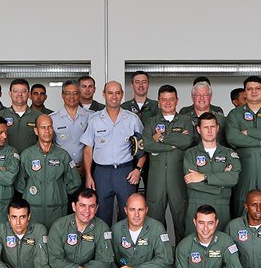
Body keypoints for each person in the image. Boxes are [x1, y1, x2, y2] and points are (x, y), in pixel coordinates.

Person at [81, 81, 145, 225]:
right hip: (101, 173)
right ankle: (104, 240)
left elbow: (143, 147)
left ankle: (124, 240)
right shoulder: (95, 119)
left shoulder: (132, 119)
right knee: (101, 214)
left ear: (122, 95)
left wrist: (138, 169)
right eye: (110, 93)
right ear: (104, 95)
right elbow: (88, 149)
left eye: (117, 93)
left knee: (128, 213)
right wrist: (88, 175)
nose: (114, 96)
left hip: (125, 172)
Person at [226, 76, 261, 215]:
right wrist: (260, 142)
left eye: (258, 88)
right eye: (249, 89)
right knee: (242, 204)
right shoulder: (235, 114)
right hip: (244, 167)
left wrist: (247, 132)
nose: (254, 92)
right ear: (245, 92)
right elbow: (232, 137)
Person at [143, 84, 195, 236]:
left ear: (177, 100)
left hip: (178, 176)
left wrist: (161, 138)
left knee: (181, 218)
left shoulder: (185, 121)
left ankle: (182, 251)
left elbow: (186, 141)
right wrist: (172, 145)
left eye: (171, 99)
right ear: (158, 101)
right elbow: (147, 144)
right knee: (155, 219)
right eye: (164, 99)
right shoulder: (151, 122)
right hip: (156, 177)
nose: (167, 103)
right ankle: (159, 251)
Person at [16, 114, 80, 227]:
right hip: (33, 211)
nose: (47, 131)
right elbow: (20, 185)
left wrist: (58, 193)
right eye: (43, 127)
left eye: (50, 127)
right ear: (36, 131)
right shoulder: (27, 155)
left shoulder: (63, 155)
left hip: (57, 210)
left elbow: (75, 182)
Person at [182, 113, 240, 236]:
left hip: (222, 206)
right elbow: (192, 183)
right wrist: (222, 184)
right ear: (199, 129)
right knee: (194, 244)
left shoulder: (229, 153)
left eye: (212, 127)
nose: (209, 131)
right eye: (205, 127)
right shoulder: (190, 153)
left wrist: (203, 177)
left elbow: (233, 179)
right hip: (196, 205)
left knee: (222, 243)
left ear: (217, 128)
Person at [51, 79, 92, 176]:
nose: (72, 97)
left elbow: (93, 145)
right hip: (61, 170)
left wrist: (85, 166)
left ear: (79, 94)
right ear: (62, 95)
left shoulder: (90, 116)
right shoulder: (53, 118)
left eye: (75, 93)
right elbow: (50, 146)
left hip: (86, 169)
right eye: (68, 93)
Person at [0, 78, 39, 152]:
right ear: (10, 94)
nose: (19, 94)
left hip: (31, 158)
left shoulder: (39, 116)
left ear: (29, 94)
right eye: (15, 91)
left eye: (23, 91)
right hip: (6, 158)